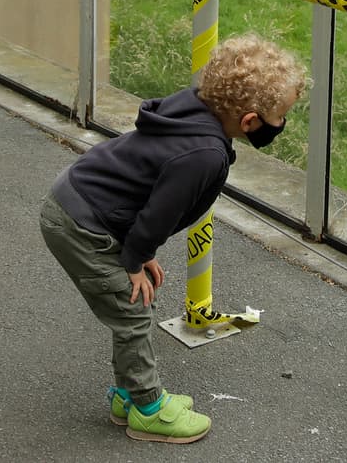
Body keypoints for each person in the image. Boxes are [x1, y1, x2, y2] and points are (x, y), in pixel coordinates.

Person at [39, 33, 308, 444]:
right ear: (250, 121)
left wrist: (137, 252)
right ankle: (147, 408)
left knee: (133, 305)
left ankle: (127, 397)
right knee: (132, 312)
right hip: (82, 224)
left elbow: (149, 196)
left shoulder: (194, 106)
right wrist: (134, 259)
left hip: (84, 198)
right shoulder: (204, 153)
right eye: (280, 118)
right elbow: (158, 214)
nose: (281, 126)